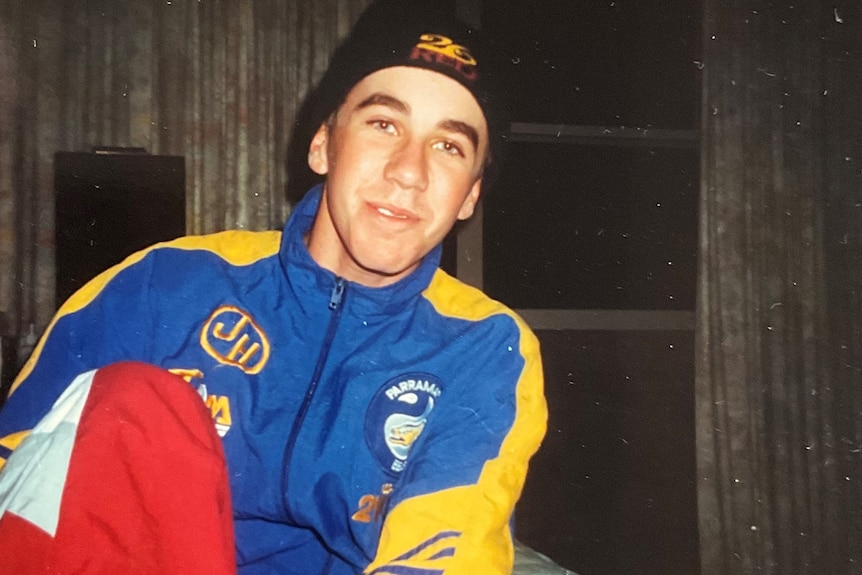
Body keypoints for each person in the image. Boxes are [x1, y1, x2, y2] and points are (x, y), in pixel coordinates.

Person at [0, 1, 547, 574]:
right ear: (322, 145)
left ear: (469, 197)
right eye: (384, 124)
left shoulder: (486, 349)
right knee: (134, 399)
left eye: (449, 146)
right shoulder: (163, 284)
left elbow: (441, 552)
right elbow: (23, 475)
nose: (409, 171)